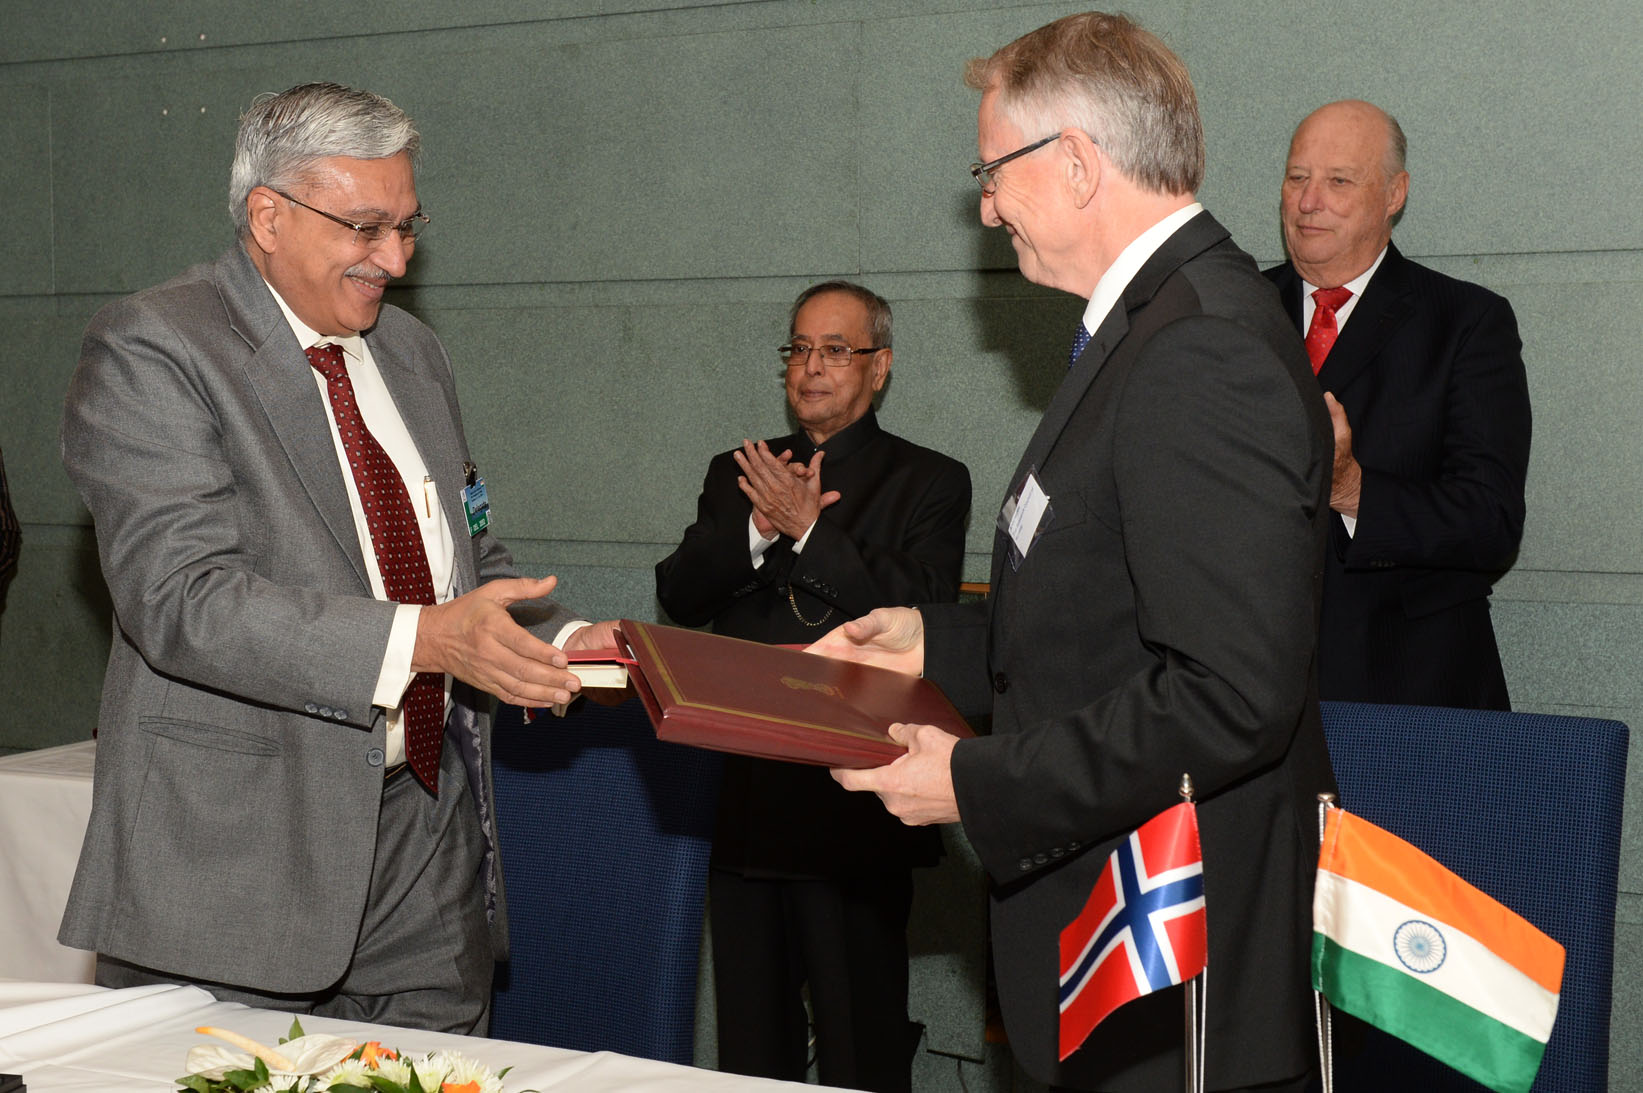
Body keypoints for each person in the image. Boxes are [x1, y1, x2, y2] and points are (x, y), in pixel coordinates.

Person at [815, 13, 1336, 1092]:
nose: (986, 202)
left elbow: (1230, 694)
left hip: (1173, 955)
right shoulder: (1151, 322)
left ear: (1076, 163)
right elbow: (1105, 614)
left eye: (991, 169)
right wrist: (931, 645)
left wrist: (974, 779)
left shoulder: (1194, 347)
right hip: (1125, 934)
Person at [58, 82, 616, 1034]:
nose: (395, 259)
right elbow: (181, 598)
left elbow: (462, 561)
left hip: (427, 841)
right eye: (366, 228)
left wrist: (558, 637)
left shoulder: (413, 355)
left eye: (407, 226)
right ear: (267, 215)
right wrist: (429, 643)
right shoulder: (157, 343)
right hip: (238, 857)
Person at [655, 281, 970, 1092]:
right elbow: (680, 592)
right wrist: (758, 527)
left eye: (836, 349)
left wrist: (812, 531)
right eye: (798, 348)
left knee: (859, 1047)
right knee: (750, 1054)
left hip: (858, 810)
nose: (811, 367)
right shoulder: (741, 473)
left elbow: (928, 609)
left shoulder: (930, 480)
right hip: (747, 803)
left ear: (880, 367)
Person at [1265, 100, 1531, 709]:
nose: (1309, 201)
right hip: (1250, 696)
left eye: (1338, 181)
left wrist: (1352, 489)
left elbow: (1490, 523)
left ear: (1394, 194)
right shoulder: (1232, 311)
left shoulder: (1466, 322)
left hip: (1405, 693)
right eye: (1297, 177)